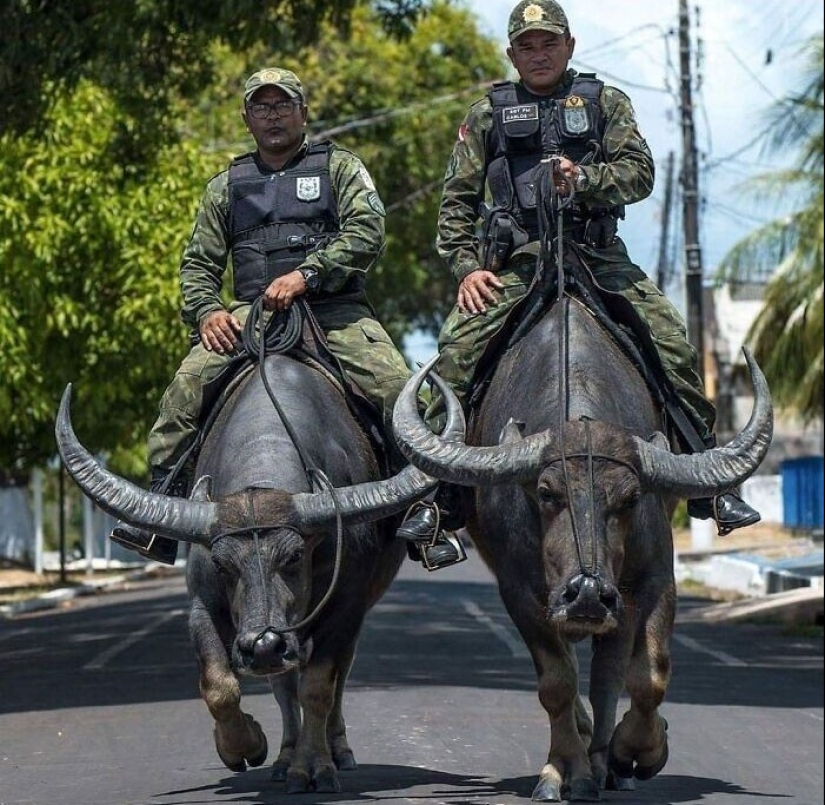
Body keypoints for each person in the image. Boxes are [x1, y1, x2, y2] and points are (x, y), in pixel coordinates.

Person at [396, 0, 760, 545]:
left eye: (548, 43)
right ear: (512, 54)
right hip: (517, 263)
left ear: (569, 45)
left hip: (597, 257)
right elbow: (455, 207)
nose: (538, 54)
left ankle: (710, 482)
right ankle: (438, 495)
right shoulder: (485, 115)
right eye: (527, 46)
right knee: (454, 358)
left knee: (673, 345)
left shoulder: (605, 102)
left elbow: (640, 174)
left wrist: (583, 179)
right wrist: (469, 270)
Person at [112, 67, 460, 569]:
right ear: (247, 117)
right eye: (261, 106)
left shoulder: (340, 168)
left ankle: (432, 511)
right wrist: (208, 310)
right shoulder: (225, 186)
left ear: (303, 112)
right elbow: (197, 264)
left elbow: (367, 232)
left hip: (333, 311)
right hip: (249, 315)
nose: (272, 115)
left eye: (282, 105)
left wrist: (308, 275)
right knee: (183, 394)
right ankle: (160, 516)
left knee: (396, 389)